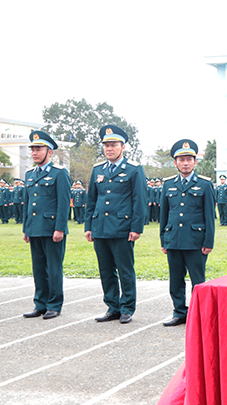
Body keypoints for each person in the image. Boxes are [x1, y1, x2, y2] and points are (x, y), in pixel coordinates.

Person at [85, 125, 147, 324]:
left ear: (123, 147)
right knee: (105, 270)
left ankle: (127, 307)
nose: (109, 149)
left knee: (125, 269)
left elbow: (139, 200)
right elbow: (92, 200)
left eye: (113, 145)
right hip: (100, 227)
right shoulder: (98, 169)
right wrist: (89, 226)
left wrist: (136, 228)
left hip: (122, 228)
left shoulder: (133, 169)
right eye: (106, 145)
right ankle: (113, 307)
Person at [159, 139, 215, 326]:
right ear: (175, 163)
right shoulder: (168, 184)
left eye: (189, 159)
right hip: (173, 239)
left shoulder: (205, 184)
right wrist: (163, 240)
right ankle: (179, 311)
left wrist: (208, 241)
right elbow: (164, 214)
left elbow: (209, 216)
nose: (185, 163)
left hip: (195, 241)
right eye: (181, 159)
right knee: (175, 279)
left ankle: (199, 313)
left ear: (195, 162)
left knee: (197, 280)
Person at [22, 131, 71, 320]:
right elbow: (27, 203)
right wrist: (26, 228)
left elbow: (63, 203)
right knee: (38, 268)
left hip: (52, 229)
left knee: (53, 268)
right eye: (33, 149)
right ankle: (40, 304)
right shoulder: (29, 174)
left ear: (49, 152)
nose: (34, 153)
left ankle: (54, 305)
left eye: (38, 149)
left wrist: (59, 228)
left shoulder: (59, 173)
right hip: (35, 228)